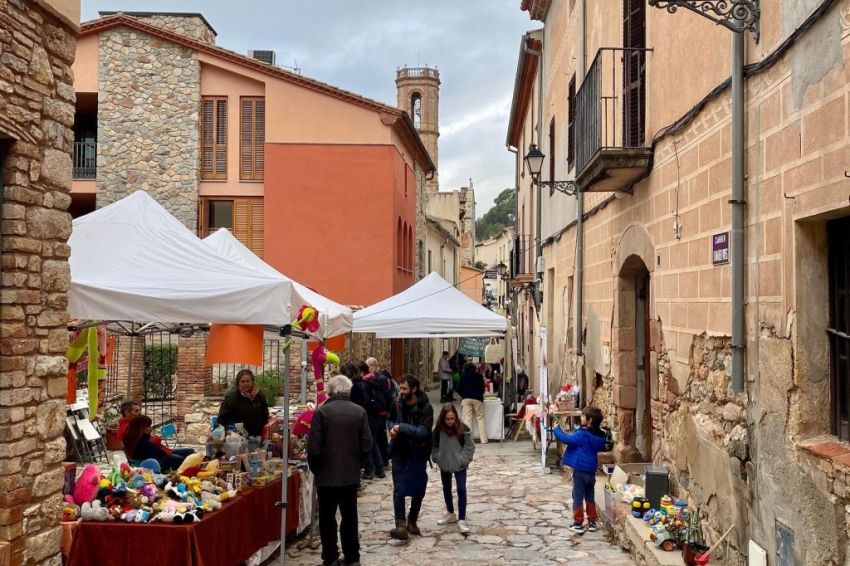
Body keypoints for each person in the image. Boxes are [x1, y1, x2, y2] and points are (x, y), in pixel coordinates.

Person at [307, 375, 373, 566]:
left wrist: (317, 468)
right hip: (349, 475)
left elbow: (314, 447)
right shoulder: (359, 412)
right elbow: (367, 445)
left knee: (327, 518)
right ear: (348, 391)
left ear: (330, 391)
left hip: (326, 475)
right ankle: (353, 557)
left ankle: (330, 557)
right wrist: (357, 465)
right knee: (349, 516)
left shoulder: (322, 413)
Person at [387, 375, 433, 541]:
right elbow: (390, 418)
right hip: (399, 451)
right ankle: (400, 524)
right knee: (398, 489)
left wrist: (401, 427)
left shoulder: (425, 407)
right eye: (401, 388)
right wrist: (392, 428)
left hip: (417, 453)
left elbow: (423, 432)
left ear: (414, 389)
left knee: (417, 489)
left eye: (405, 388)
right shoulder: (397, 403)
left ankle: (412, 520)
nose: (402, 391)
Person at [551, 406, 611, 533]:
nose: (581, 418)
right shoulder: (599, 435)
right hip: (591, 470)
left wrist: (556, 430)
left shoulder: (583, 434)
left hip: (580, 470)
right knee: (590, 495)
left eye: (583, 417)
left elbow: (566, 439)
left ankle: (578, 523)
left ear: (589, 420)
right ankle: (592, 522)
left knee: (577, 496)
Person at [432, 403, 475, 534]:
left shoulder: (463, 429)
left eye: (452, 418)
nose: (450, 421)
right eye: (447, 419)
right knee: (446, 488)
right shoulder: (438, 430)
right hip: (444, 463)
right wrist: (438, 457)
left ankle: (462, 518)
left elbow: (470, 446)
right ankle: (450, 513)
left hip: (460, 464)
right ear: (443, 418)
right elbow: (434, 446)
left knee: (461, 489)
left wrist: (463, 460)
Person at [342, 362, 385, 480]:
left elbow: (359, 404)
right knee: (372, 442)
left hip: (367, 419)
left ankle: (369, 469)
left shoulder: (357, 386)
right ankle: (379, 468)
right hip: (374, 417)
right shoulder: (366, 382)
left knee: (366, 443)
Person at [118, 401, 194, 458]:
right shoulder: (129, 428)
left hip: (155, 452)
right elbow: (140, 445)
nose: (139, 413)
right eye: (136, 411)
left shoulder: (132, 426)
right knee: (185, 457)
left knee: (189, 452)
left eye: (139, 410)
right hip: (151, 456)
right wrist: (155, 439)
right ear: (127, 413)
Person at [217, 369, 270, 437]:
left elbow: (265, 412)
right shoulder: (232, 397)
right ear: (238, 383)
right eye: (242, 381)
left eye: (248, 381)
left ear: (252, 381)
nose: (245, 384)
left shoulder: (258, 395)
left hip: (257, 436)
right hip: (237, 437)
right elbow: (222, 417)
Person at [123, 416, 188, 471]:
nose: (151, 429)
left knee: (185, 454)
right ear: (141, 429)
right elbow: (158, 461)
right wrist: (165, 456)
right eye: (148, 426)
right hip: (155, 468)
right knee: (181, 459)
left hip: (146, 463)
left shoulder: (133, 440)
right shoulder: (145, 444)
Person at [365, 357, 394, 467]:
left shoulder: (381, 378)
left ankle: (383, 459)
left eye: (368, 367)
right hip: (382, 410)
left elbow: (386, 395)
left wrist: (384, 409)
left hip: (382, 411)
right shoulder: (382, 376)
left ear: (373, 366)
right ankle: (383, 458)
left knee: (380, 435)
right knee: (380, 434)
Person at [458, 362, 487, 444]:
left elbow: (459, 388)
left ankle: (468, 439)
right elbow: (482, 388)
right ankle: (483, 439)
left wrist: (463, 395)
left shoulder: (463, 376)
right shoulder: (479, 376)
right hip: (477, 398)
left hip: (466, 398)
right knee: (480, 418)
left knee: (468, 418)